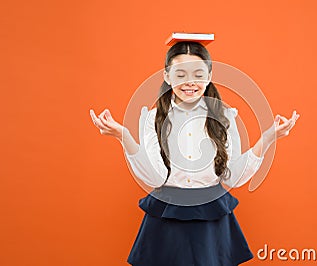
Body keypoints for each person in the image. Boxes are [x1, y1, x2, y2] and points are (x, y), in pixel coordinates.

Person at [89, 41, 300, 266]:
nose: (190, 82)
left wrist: (268, 138)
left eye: (198, 74)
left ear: (209, 76)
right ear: (167, 76)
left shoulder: (226, 116)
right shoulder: (152, 118)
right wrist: (124, 137)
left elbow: (232, 177)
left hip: (212, 220)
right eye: (180, 74)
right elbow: (155, 177)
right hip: (165, 219)